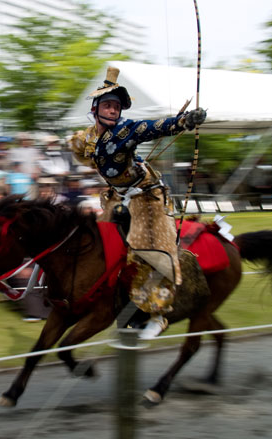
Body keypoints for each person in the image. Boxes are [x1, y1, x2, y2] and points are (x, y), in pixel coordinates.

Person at [69, 66, 206, 338]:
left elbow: (152, 128)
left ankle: (157, 313)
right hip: (116, 195)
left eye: (116, 107)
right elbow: (81, 152)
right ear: (95, 109)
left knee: (151, 249)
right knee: (98, 244)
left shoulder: (126, 130)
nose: (113, 110)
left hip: (146, 194)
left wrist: (182, 122)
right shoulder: (83, 138)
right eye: (107, 105)